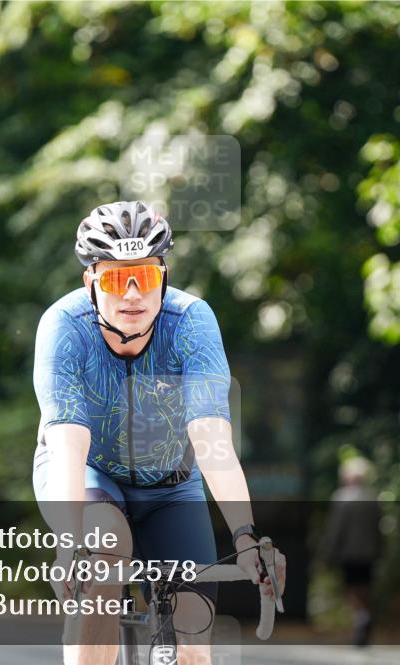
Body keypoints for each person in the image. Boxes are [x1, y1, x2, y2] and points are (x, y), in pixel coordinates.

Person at [32, 201, 286, 665]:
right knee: (103, 548)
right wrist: (69, 543)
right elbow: (69, 447)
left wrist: (246, 538)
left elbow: (212, 439)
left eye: (145, 277)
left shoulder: (191, 322)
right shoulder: (64, 328)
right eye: (114, 278)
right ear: (91, 283)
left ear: (163, 276)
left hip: (171, 485)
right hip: (88, 474)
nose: (132, 294)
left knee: (192, 643)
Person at [319, 456, 381, 647]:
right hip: (369, 552)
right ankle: (363, 619)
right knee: (364, 588)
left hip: (348, 553)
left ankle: (361, 617)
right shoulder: (372, 497)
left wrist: (328, 553)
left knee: (350, 589)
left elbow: (336, 529)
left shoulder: (341, 498)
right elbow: (378, 528)